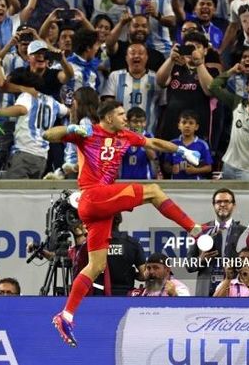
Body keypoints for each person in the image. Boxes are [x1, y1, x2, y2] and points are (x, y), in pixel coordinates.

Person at [44, 99, 203, 346]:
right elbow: (48, 134)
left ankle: (66, 315)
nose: (125, 118)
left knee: (96, 265)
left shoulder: (126, 136)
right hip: (92, 196)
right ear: (108, 118)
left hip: (99, 209)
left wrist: (180, 151)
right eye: (121, 114)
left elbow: (154, 143)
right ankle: (195, 229)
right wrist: (70, 129)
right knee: (153, 191)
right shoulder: (88, 133)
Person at [187, 188, 246, 297]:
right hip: (205, 292)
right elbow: (188, 266)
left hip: (234, 292)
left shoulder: (244, 231)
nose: (222, 204)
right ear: (213, 205)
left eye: (227, 201)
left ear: (234, 205)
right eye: (218, 202)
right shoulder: (200, 230)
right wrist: (201, 260)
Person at [162, 109, 213, 180]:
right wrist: (172, 169)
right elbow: (166, 165)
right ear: (179, 125)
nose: (187, 126)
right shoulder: (172, 143)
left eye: (191, 123)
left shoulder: (202, 145)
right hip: (176, 183)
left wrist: (195, 170)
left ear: (196, 127)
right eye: (184, 122)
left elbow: (209, 168)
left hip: (196, 184)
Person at [106, 214, 146, 296]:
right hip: (126, 294)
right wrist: (133, 275)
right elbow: (144, 275)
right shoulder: (132, 243)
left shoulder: (94, 243)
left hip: (99, 295)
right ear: (119, 220)